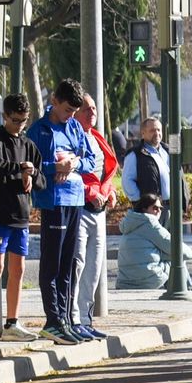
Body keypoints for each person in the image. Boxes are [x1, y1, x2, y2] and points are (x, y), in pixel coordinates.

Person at [27, 80, 99, 345]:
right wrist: (54, 167)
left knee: (69, 263)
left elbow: (91, 160)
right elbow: (30, 165)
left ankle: (67, 318)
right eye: (67, 109)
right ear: (54, 101)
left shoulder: (75, 128)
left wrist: (74, 163)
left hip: (75, 200)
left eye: (73, 111)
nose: (70, 115)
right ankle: (53, 320)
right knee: (53, 263)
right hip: (53, 202)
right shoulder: (40, 130)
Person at [0, 94, 45, 342]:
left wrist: (31, 173)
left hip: (21, 215)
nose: (20, 125)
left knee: (17, 269)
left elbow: (41, 178)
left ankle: (12, 322)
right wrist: (21, 169)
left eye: (24, 120)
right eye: (16, 120)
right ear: (5, 116)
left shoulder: (28, 144)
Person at [70, 94, 118, 340]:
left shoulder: (97, 137)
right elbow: (72, 171)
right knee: (76, 264)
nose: (92, 112)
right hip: (80, 209)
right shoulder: (72, 137)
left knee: (94, 269)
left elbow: (105, 171)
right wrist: (90, 192)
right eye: (86, 109)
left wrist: (108, 192)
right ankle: (72, 319)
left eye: (94, 108)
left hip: (99, 212)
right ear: (75, 113)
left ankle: (86, 320)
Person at [117, 193, 172, 289]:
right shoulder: (151, 223)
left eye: (161, 208)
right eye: (155, 208)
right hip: (149, 281)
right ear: (144, 209)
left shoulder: (128, 223)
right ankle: (184, 292)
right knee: (179, 261)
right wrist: (161, 254)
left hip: (124, 282)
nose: (159, 211)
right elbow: (182, 251)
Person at [121, 116, 170, 210]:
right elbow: (127, 181)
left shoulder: (167, 150)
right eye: (152, 130)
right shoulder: (135, 154)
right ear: (143, 134)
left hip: (170, 207)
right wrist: (142, 203)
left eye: (159, 130)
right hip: (150, 209)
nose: (157, 133)